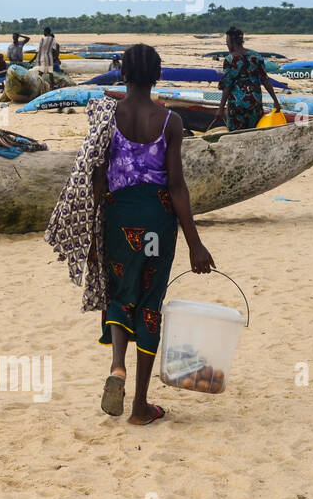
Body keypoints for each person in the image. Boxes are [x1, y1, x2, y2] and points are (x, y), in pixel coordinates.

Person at [44, 44, 214, 426]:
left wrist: (97, 221)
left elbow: (98, 174)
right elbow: (177, 186)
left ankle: (117, 366)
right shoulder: (170, 122)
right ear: (157, 75)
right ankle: (140, 406)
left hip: (118, 217)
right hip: (157, 220)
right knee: (149, 303)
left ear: (122, 73)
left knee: (120, 293)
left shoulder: (107, 114)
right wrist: (195, 243)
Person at [216, 27, 283, 130]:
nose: (227, 45)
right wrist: (275, 101)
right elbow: (265, 80)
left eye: (227, 42)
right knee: (254, 131)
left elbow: (227, 86)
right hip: (254, 103)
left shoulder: (230, 60)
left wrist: (220, 108)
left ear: (232, 42)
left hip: (237, 105)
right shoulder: (256, 57)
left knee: (236, 134)